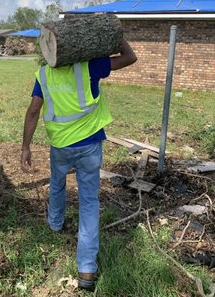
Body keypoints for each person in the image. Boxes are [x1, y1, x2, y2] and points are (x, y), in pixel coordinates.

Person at [21, 39, 137, 291]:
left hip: (60, 145)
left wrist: (26, 147)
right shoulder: (90, 67)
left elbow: (32, 111)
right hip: (89, 145)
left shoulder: (43, 73)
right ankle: (86, 269)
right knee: (88, 202)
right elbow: (129, 57)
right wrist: (116, 37)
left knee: (57, 184)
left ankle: (55, 224)